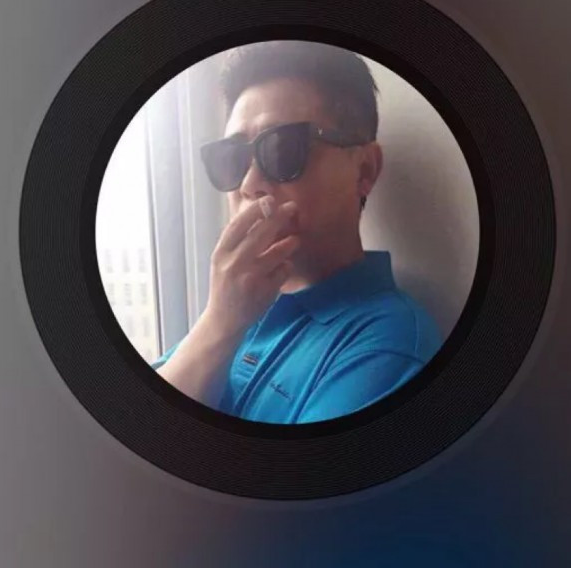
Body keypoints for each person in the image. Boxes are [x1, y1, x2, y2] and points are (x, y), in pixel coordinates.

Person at [151, 40, 441, 423]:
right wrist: (219, 321)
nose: (249, 185)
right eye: (233, 158)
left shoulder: (388, 345)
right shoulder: (241, 303)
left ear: (364, 170)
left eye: (282, 149)